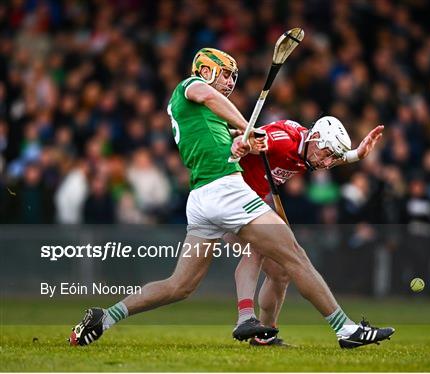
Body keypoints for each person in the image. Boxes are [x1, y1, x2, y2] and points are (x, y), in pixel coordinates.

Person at [69, 48, 394, 349]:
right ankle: (345, 329)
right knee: (295, 256)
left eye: (234, 77)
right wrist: (246, 129)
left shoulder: (207, 116)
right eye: (225, 74)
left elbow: (233, 142)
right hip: (225, 189)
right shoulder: (190, 87)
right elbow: (212, 99)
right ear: (205, 70)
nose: (230, 81)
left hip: (202, 197)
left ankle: (106, 316)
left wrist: (243, 141)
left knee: (179, 286)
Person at [227, 116, 384, 345]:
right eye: (327, 153)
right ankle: (245, 318)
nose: (328, 163)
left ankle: (263, 336)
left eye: (334, 157)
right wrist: (245, 141)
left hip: (250, 203)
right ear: (316, 138)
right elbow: (253, 139)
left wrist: (355, 155)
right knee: (259, 250)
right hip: (229, 201)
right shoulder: (284, 141)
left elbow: (328, 158)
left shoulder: (308, 151)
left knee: (281, 272)